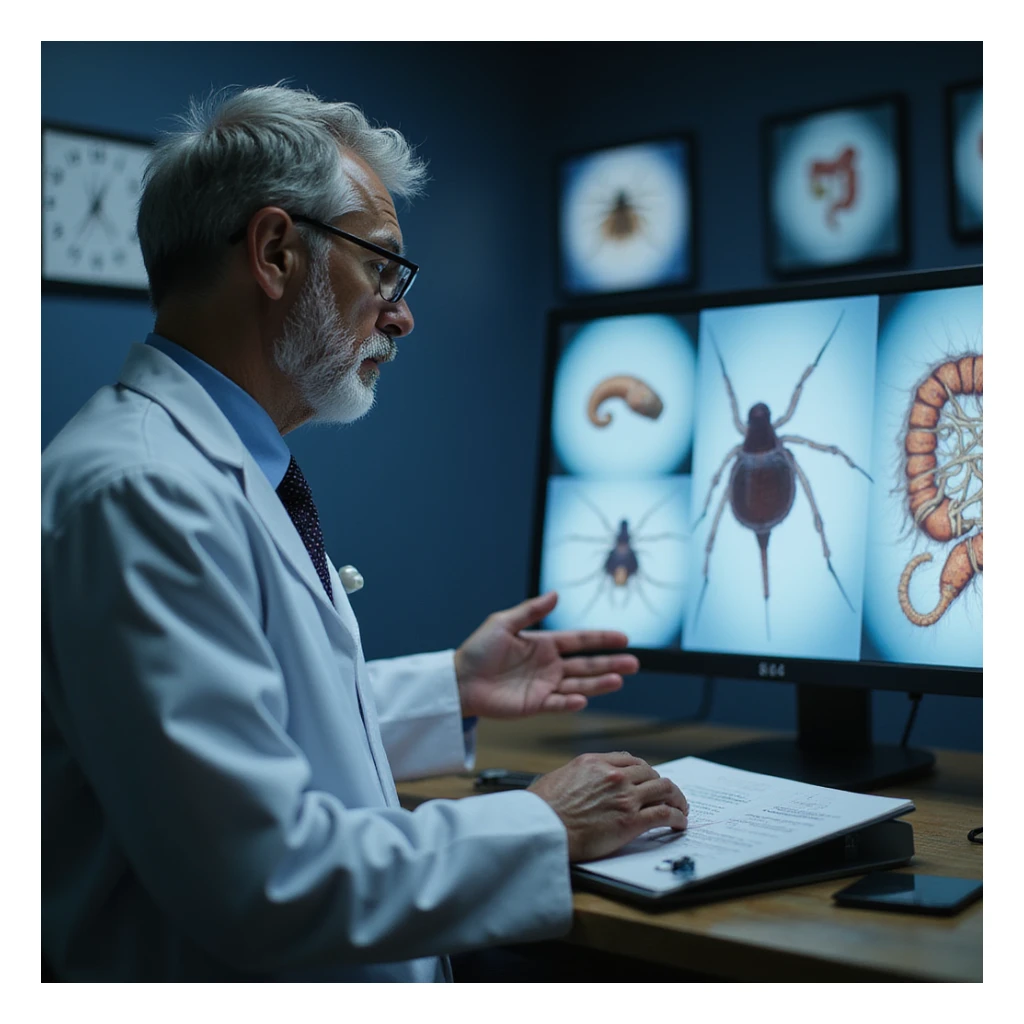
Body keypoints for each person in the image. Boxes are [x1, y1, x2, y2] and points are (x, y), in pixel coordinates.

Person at [41, 83, 689, 983]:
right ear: (274, 252)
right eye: (381, 266)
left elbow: (238, 736)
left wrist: (448, 686)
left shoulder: (203, 466)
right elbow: (264, 877)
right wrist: (544, 820)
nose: (402, 312)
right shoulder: (143, 491)